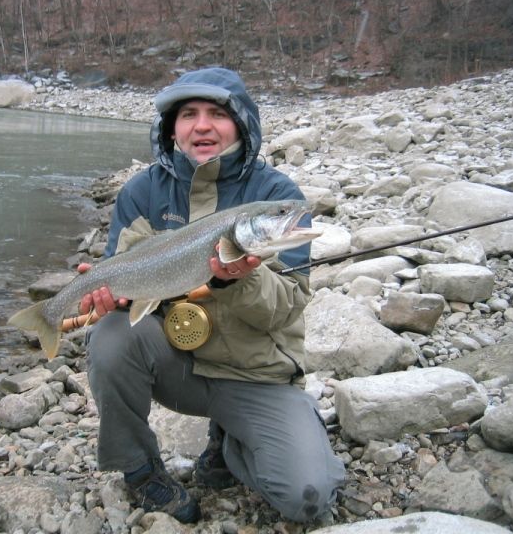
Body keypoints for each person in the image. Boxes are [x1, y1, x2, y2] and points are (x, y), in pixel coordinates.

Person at [77, 67, 345, 524]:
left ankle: (231, 443)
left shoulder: (277, 195)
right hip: (178, 367)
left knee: (309, 498)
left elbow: (285, 309)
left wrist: (239, 279)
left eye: (217, 114)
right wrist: (109, 295)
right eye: (189, 114)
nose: (202, 126)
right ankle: (139, 469)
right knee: (112, 335)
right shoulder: (142, 192)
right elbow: (119, 272)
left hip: (255, 374)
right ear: (172, 128)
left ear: (241, 124)